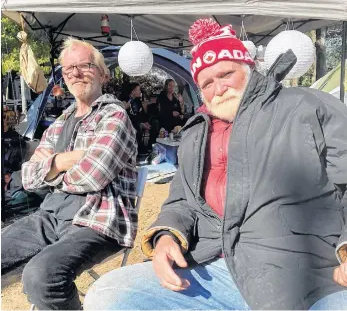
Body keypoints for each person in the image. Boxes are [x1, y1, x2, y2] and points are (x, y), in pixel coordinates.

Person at [84, 19, 347, 310]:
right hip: (217, 267)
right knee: (109, 293)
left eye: (226, 75)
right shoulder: (197, 131)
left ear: (249, 70)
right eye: (207, 83)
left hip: (310, 273)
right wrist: (166, 235)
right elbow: (182, 200)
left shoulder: (305, 106)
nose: (218, 88)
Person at [1, 38, 138, 310]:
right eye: (68, 68)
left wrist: (49, 168)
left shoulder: (114, 116)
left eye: (84, 66)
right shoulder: (62, 119)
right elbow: (28, 178)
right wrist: (65, 160)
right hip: (50, 215)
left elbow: (93, 176)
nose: (75, 73)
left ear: (102, 73)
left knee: (42, 276)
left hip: (97, 218)